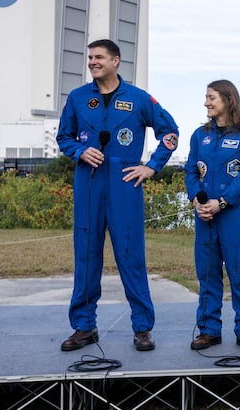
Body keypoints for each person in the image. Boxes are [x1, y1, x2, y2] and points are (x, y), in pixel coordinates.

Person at [56, 39, 179, 352]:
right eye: (90, 58)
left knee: (131, 257)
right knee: (85, 257)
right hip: (89, 184)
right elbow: (63, 137)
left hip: (125, 184)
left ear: (116, 61)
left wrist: (151, 167)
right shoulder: (78, 97)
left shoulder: (138, 99)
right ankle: (84, 327)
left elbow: (170, 133)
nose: (93, 62)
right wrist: (80, 151)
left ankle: (142, 328)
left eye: (99, 57)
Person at [185, 80, 240, 351]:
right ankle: (209, 329)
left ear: (228, 100)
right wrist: (197, 199)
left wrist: (223, 202)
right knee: (207, 275)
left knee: (239, 274)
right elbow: (191, 171)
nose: (206, 102)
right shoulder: (199, 135)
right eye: (206, 97)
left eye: (211, 97)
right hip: (205, 216)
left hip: (233, 215)